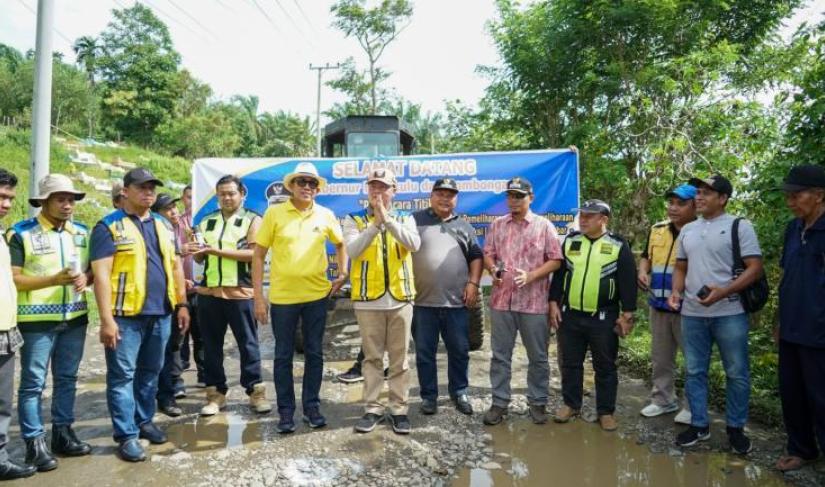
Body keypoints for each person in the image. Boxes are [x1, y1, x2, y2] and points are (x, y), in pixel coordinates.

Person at [90, 168, 190, 462]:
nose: (149, 192)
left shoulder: (163, 224)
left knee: (150, 373)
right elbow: (102, 276)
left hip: (161, 314)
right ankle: (126, 435)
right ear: (126, 191)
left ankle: (144, 421)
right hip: (125, 317)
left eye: (152, 188)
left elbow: (174, 267)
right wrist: (106, 320)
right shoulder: (108, 227)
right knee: (122, 377)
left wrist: (182, 304)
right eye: (142, 187)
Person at [669, 174, 763, 454]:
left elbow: (754, 267)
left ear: (723, 198)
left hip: (730, 312)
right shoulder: (687, 230)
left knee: (736, 373)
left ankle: (735, 428)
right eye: (698, 192)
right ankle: (699, 424)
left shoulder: (739, 226)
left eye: (707, 193)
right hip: (693, 313)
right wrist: (676, 292)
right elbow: (681, 267)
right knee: (695, 371)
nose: (699, 197)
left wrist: (723, 291)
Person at [253, 162, 348, 433]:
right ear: (291, 186)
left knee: (314, 353)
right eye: (302, 182)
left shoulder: (326, 215)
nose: (307, 187)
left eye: (312, 184)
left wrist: (343, 272)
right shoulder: (275, 214)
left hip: (317, 295)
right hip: (283, 298)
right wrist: (258, 297)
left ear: (317, 189)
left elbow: (341, 244)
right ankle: (285, 412)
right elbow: (258, 255)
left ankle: (311, 407)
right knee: (283, 356)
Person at [8, 175, 92, 472]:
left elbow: (91, 271)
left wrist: (86, 278)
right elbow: (13, 279)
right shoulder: (20, 233)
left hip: (75, 318)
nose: (68, 205)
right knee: (33, 383)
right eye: (60, 199)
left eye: (71, 199)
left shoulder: (82, 232)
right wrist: (53, 279)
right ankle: (34, 442)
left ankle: (63, 433)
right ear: (43, 201)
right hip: (36, 320)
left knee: (67, 378)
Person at [548, 199, 636, 431]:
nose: (583, 219)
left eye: (589, 215)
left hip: (604, 318)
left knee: (605, 366)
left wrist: (627, 314)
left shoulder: (618, 245)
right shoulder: (571, 241)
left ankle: (605, 412)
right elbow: (559, 276)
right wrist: (553, 303)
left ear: (603, 220)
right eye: (581, 215)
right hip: (570, 316)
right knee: (571, 363)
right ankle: (571, 404)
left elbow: (628, 282)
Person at [345, 168, 420, 434]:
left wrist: (387, 220)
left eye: (383, 187)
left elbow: (414, 244)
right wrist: (375, 225)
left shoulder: (405, 217)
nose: (377, 192)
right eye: (373, 187)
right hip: (368, 301)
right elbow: (353, 251)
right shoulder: (354, 219)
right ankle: (372, 408)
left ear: (394, 191)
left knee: (400, 360)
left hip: (401, 299)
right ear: (367, 190)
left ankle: (399, 409)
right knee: (372, 359)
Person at [482, 177, 562, 426]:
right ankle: (499, 402)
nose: (513, 201)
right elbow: (488, 254)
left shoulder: (544, 226)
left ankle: (537, 403)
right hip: (502, 302)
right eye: (510, 196)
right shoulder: (497, 225)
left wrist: (532, 276)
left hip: (534, 304)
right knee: (500, 356)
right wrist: (493, 270)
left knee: (538, 357)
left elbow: (556, 259)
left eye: (519, 196)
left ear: (531, 198)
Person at [192, 175, 270, 417]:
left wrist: (216, 250)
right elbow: (199, 258)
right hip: (210, 293)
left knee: (248, 345)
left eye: (231, 193)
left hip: (241, 293)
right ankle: (215, 396)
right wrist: (196, 249)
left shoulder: (253, 220)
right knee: (210, 346)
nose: (226, 198)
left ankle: (256, 394)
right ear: (217, 196)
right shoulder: (207, 221)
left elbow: (254, 255)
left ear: (241, 194)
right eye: (222, 194)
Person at [412, 178, 482, 416]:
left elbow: (476, 257)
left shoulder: (464, 226)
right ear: (431, 196)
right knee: (424, 352)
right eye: (440, 194)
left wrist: (473, 283)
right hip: (421, 303)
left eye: (450, 195)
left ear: (456, 199)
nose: (445, 199)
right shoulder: (414, 220)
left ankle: (459, 391)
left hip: (456, 303)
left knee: (459, 350)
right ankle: (429, 396)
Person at [775, 164, 825, 471]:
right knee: (792, 394)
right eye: (788, 196)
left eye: (797, 195)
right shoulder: (793, 230)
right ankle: (803, 449)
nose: (790, 202)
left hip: (820, 332)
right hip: (792, 327)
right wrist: (779, 320)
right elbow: (787, 277)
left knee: (822, 398)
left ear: (819, 195)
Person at [637, 184, 696, 424]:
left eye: (680, 203)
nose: (673, 208)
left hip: (690, 308)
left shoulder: (700, 232)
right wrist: (642, 271)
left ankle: (693, 407)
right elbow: (645, 257)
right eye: (671, 203)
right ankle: (663, 400)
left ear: (695, 205)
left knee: (693, 360)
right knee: (661, 357)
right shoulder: (657, 229)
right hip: (658, 303)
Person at [0, 169, 36, 480]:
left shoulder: (1, 233)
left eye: (10, 198)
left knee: (2, 401)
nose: (7, 204)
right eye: (1, 197)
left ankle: (0, 457)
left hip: (6, 330)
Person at [152, 193, 187, 417]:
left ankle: (167, 395)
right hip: (139, 305)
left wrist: (182, 302)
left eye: (175, 207)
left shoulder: (169, 231)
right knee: (147, 358)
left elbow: (176, 267)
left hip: (170, 301)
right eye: (168, 209)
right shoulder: (117, 227)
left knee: (169, 349)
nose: (173, 212)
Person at [178, 185, 202, 382]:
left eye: (195, 197)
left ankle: (204, 373)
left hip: (202, 288)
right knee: (180, 334)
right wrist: (181, 248)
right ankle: (177, 376)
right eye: (188, 197)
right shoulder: (175, 223)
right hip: (181, 288)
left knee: (202, 335)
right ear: (182, 199)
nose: (191, 201)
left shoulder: (206, 220)